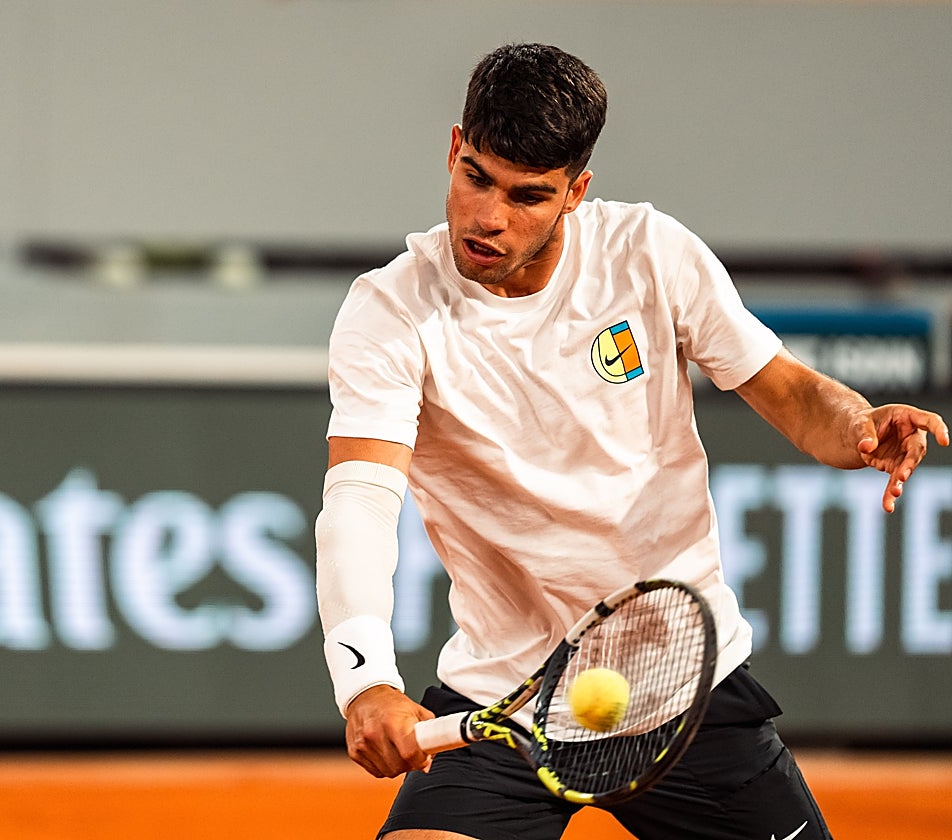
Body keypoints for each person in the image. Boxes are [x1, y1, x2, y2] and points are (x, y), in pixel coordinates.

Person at [314, 42, 948, 840]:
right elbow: (361, 500)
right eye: (476, 176)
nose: (488, 217)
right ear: (454, 149)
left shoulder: (650, 253)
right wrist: (366, 681)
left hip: (683, 696)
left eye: (528, 196)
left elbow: (786, 388)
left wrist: (856, 424)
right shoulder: (389, 311)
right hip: (508, 701)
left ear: (576, 192)